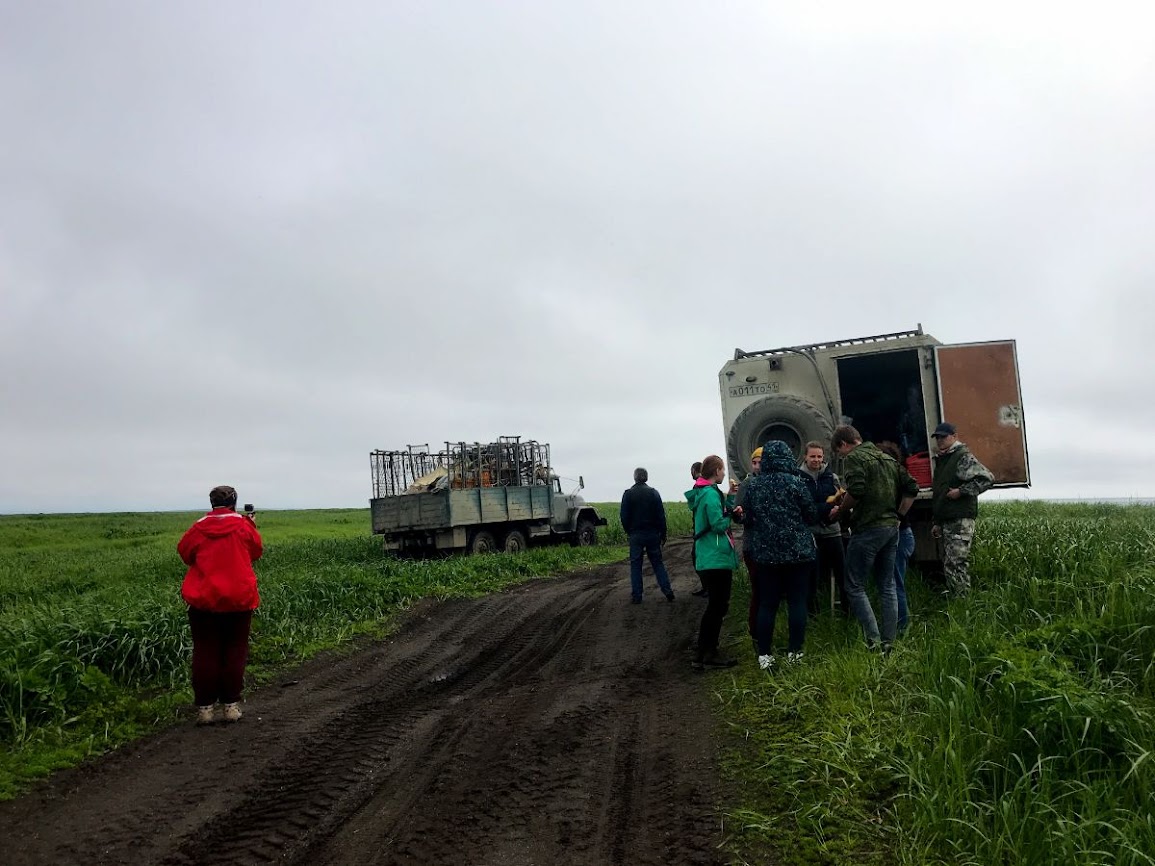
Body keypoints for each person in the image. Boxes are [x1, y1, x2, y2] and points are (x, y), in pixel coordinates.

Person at [178, 485, 263, 725]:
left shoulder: (199, 527)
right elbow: (256, 552)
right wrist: (252, 525)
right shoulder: (243, 526)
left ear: (211, 503)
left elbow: (185, 554)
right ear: (234, 503)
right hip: (239, 599)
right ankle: (230, 707)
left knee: (205, 651)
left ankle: (205, 710)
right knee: (235, 650)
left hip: (204, 600)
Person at [829, 426, 917, 651]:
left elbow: (856, 490)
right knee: (887, 585)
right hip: (891, 528)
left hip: (867, 528)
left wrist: (840, 511)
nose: (842, 456)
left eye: (840, 452)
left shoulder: (854, 458)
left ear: (843, 444)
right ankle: (889, 642)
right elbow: (912, 488)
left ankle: (873, 641)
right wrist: (899, 515)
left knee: (855, 585)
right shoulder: (886, 459)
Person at [742, 441, 818, 669]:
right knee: (797, 602)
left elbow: (748, 518)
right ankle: (795, 652)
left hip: (765, 555)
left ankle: (765, 655)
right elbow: (811, 515)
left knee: (767, 604)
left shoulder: (753, 486)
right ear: (788, 457)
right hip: (798, 554)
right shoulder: (797, 484)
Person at [686, 455, 739, 669]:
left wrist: (730, 500)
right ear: (716, 470)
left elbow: (715, 514)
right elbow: (717, 524)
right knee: (718, 606)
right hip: (715, 557)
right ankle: (709, 652)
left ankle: (702, 652)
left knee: (714, 606)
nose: (724, 473)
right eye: (722, 469)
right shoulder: (709, 494)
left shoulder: (704, 493)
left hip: (708, 556)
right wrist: (733, 515)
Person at [930, 422, 994, 597]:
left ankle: (962, 600)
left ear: (954, 437)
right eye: (937, 438)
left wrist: (961, 491)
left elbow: (987, 478)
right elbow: (941, 493)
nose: (940, 441)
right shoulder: (944, 459)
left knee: (957, 561)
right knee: (950, 561)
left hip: (960, 518)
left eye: (944, 437)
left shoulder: (962, 456)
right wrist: (937, 522)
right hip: (948, 517)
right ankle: (956, 596)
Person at [798, 441, 846, 617]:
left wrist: (838, 507)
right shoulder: (798, 478)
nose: (816, 460)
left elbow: (841, 501)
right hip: (811, 535)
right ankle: (814, 618)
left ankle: (848, 614)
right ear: (805, 456)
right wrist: (826, 507)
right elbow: (804, 508)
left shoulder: (831, 477)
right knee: (812, 580)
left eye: (819, 456)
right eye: (812, 456)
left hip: (832, 532)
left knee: (843, 576)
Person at [621, 467, 674, 604]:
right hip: (652, 534)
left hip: (636, 534)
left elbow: (624, 517)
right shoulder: (654, 493)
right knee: (657, 563)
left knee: (636, 565)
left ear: (635, 478)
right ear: (646, 478)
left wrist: (629, 531)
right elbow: (661, 516)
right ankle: (668, 591)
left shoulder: (628, 494)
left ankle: (637, 596)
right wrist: (663, 533)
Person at [877, 441, 914, 633]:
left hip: (900, 535)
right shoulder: (892, 476)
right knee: (892, 581)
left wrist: (898, 517)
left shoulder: (897, 475)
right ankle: (899, 624)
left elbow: (912, 491)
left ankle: (901, 627)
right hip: (901, 535)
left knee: (894, 582)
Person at [732, 447, 762, 644]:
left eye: (761, 461)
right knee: (758, 591)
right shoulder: (747, 484)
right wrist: (742, 515)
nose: (758, 465)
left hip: (770, 547)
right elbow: (738, 516)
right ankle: (754, 632)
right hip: (753, 545)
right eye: (754, 462)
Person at [689, 461, 709, 598]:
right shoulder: (707, 485)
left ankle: (707, 587)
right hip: (703, 528)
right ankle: (707, 587)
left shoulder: (699, 486)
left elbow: (695, 507)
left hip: (702, 529)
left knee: (698, 558)